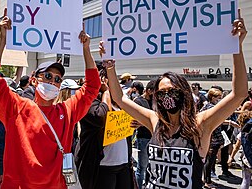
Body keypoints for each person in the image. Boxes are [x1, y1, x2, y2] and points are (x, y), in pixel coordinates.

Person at [99, 12, 248, 189]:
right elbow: (120, 98)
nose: (166, 96)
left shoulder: (200, 125)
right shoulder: (155, 121)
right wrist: (110, 66)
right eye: (161, 93)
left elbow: (238, 94)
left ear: (183, 92)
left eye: (172, 91)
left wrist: (236, 48)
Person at [0, 16, 101, 188]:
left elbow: (92, 87)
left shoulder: (66, 111)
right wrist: (2, 40)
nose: (53, 82)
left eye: (58, 79)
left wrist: (86, 50)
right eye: (48, 76)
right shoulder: (16, 107)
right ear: (35, 80)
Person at [75, 64, 133, 189]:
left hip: (123, 164)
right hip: (102, 166)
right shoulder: (88, 100)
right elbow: (101, 117)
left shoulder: (119, 100)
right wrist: (105, 92)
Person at [133, 82, 152, 189]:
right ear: (149, 90)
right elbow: (134, 119)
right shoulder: (139, 101)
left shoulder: (154, 101)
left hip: (153, 137)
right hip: (143, 138)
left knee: (151, 167)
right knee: (142, 167)